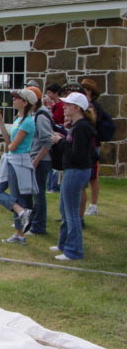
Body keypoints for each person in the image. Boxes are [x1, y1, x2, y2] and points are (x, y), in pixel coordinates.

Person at [49, 92, 96, 260]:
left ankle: (74, 251)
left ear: (77, 108)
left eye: (68, 105)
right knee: (64, 209)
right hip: (72, 170)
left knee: (71, 213)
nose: (65, 107)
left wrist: (60, 142)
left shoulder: (82, 128)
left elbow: (78, 154)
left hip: (76, 171)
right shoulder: (77, 127)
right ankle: (63, 244)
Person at [0, 88, 37, 245]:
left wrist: (10, 146)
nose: (13, 100)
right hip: (12, 160)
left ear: (25, 103)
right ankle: (21, 216)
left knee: (14, 197)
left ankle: (20, 231)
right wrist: (0, 123)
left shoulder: (28, 122)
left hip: (19, 163)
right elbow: (8, 142)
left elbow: (12, 146)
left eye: (16, 98)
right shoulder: (19, 119)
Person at [26, 86, 53, 236]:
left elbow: (48, 141)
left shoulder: (41, 116)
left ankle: (38, 227)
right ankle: (31, 223)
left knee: (39, 194)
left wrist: (36, 160)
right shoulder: (35, 114)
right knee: (33, 193)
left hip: (41, 161)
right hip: (36, 159)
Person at [80, 78, 103, 217]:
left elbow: (93, 123)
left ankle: (93, 205)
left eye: (85, 89)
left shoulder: (95, 107)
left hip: (93, 145)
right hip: (86, 144)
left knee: (93, 177)